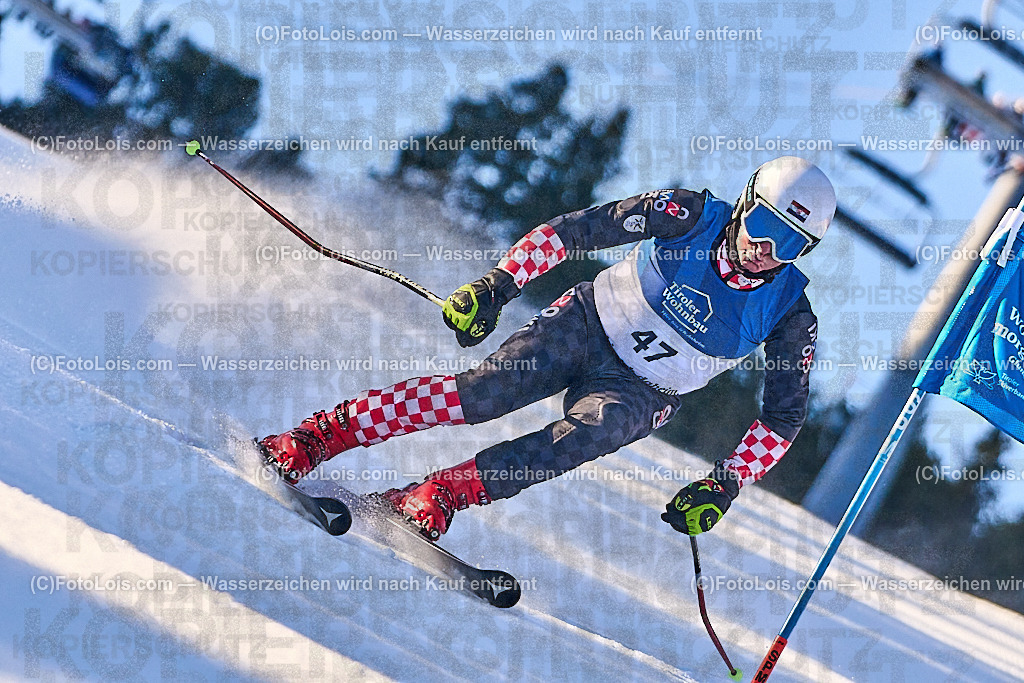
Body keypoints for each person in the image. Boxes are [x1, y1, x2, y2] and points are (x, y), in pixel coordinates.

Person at [257, 156, 836, 541]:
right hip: (586, 323)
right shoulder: (686, 215)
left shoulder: (790, 313)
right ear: (744, 202)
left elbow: (783, 417)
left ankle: (438, 495)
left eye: (790, 242)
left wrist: (726, 482)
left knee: (585, 435)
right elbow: (574, 231)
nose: (766, 248)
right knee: (480, 395)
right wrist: (498, 285)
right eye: (765, 223)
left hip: (643, 388)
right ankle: (317, 437)